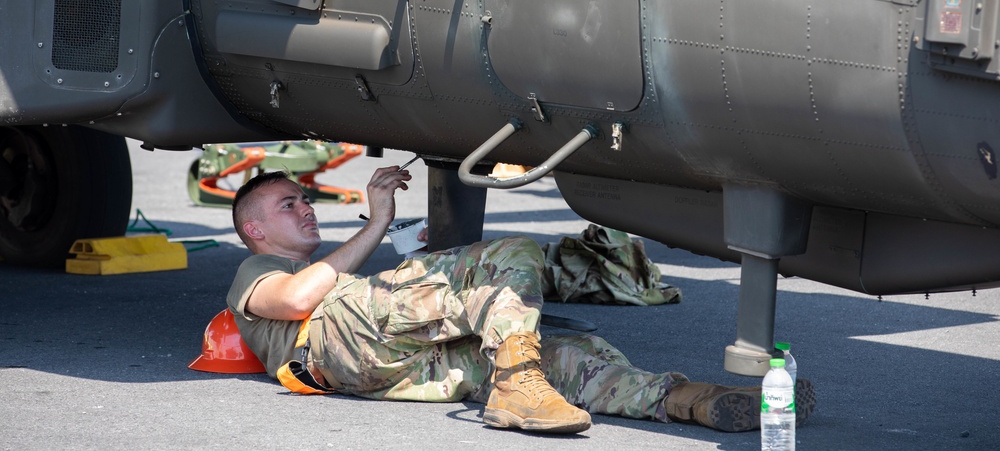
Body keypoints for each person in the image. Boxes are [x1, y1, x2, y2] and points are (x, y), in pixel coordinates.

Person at [227, 168, 815, 434]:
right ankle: (518, 384)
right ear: (253, 230)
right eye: (288, 204)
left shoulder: (329, 281)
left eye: (305, 198)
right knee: (510, 256)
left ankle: (697, 401)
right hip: (326, 345)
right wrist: (378, 223)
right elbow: (302, 296)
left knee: (567, 354)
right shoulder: (256, 271)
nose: (306, 207)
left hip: (379, 368)